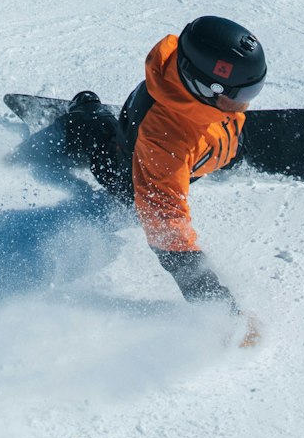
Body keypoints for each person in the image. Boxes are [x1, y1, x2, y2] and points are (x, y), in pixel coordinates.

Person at [62, 17, 266, 327]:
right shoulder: (165, 142)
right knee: (105, 157)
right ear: (205, 87)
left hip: (190, 147)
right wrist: (220, 310)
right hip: (130, 173)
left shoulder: (208, 100)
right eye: (241, 95)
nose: (246, 103)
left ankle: (228, 150)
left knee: (221, 135)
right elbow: (166, 229)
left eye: (253, 90)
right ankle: (86, 114)